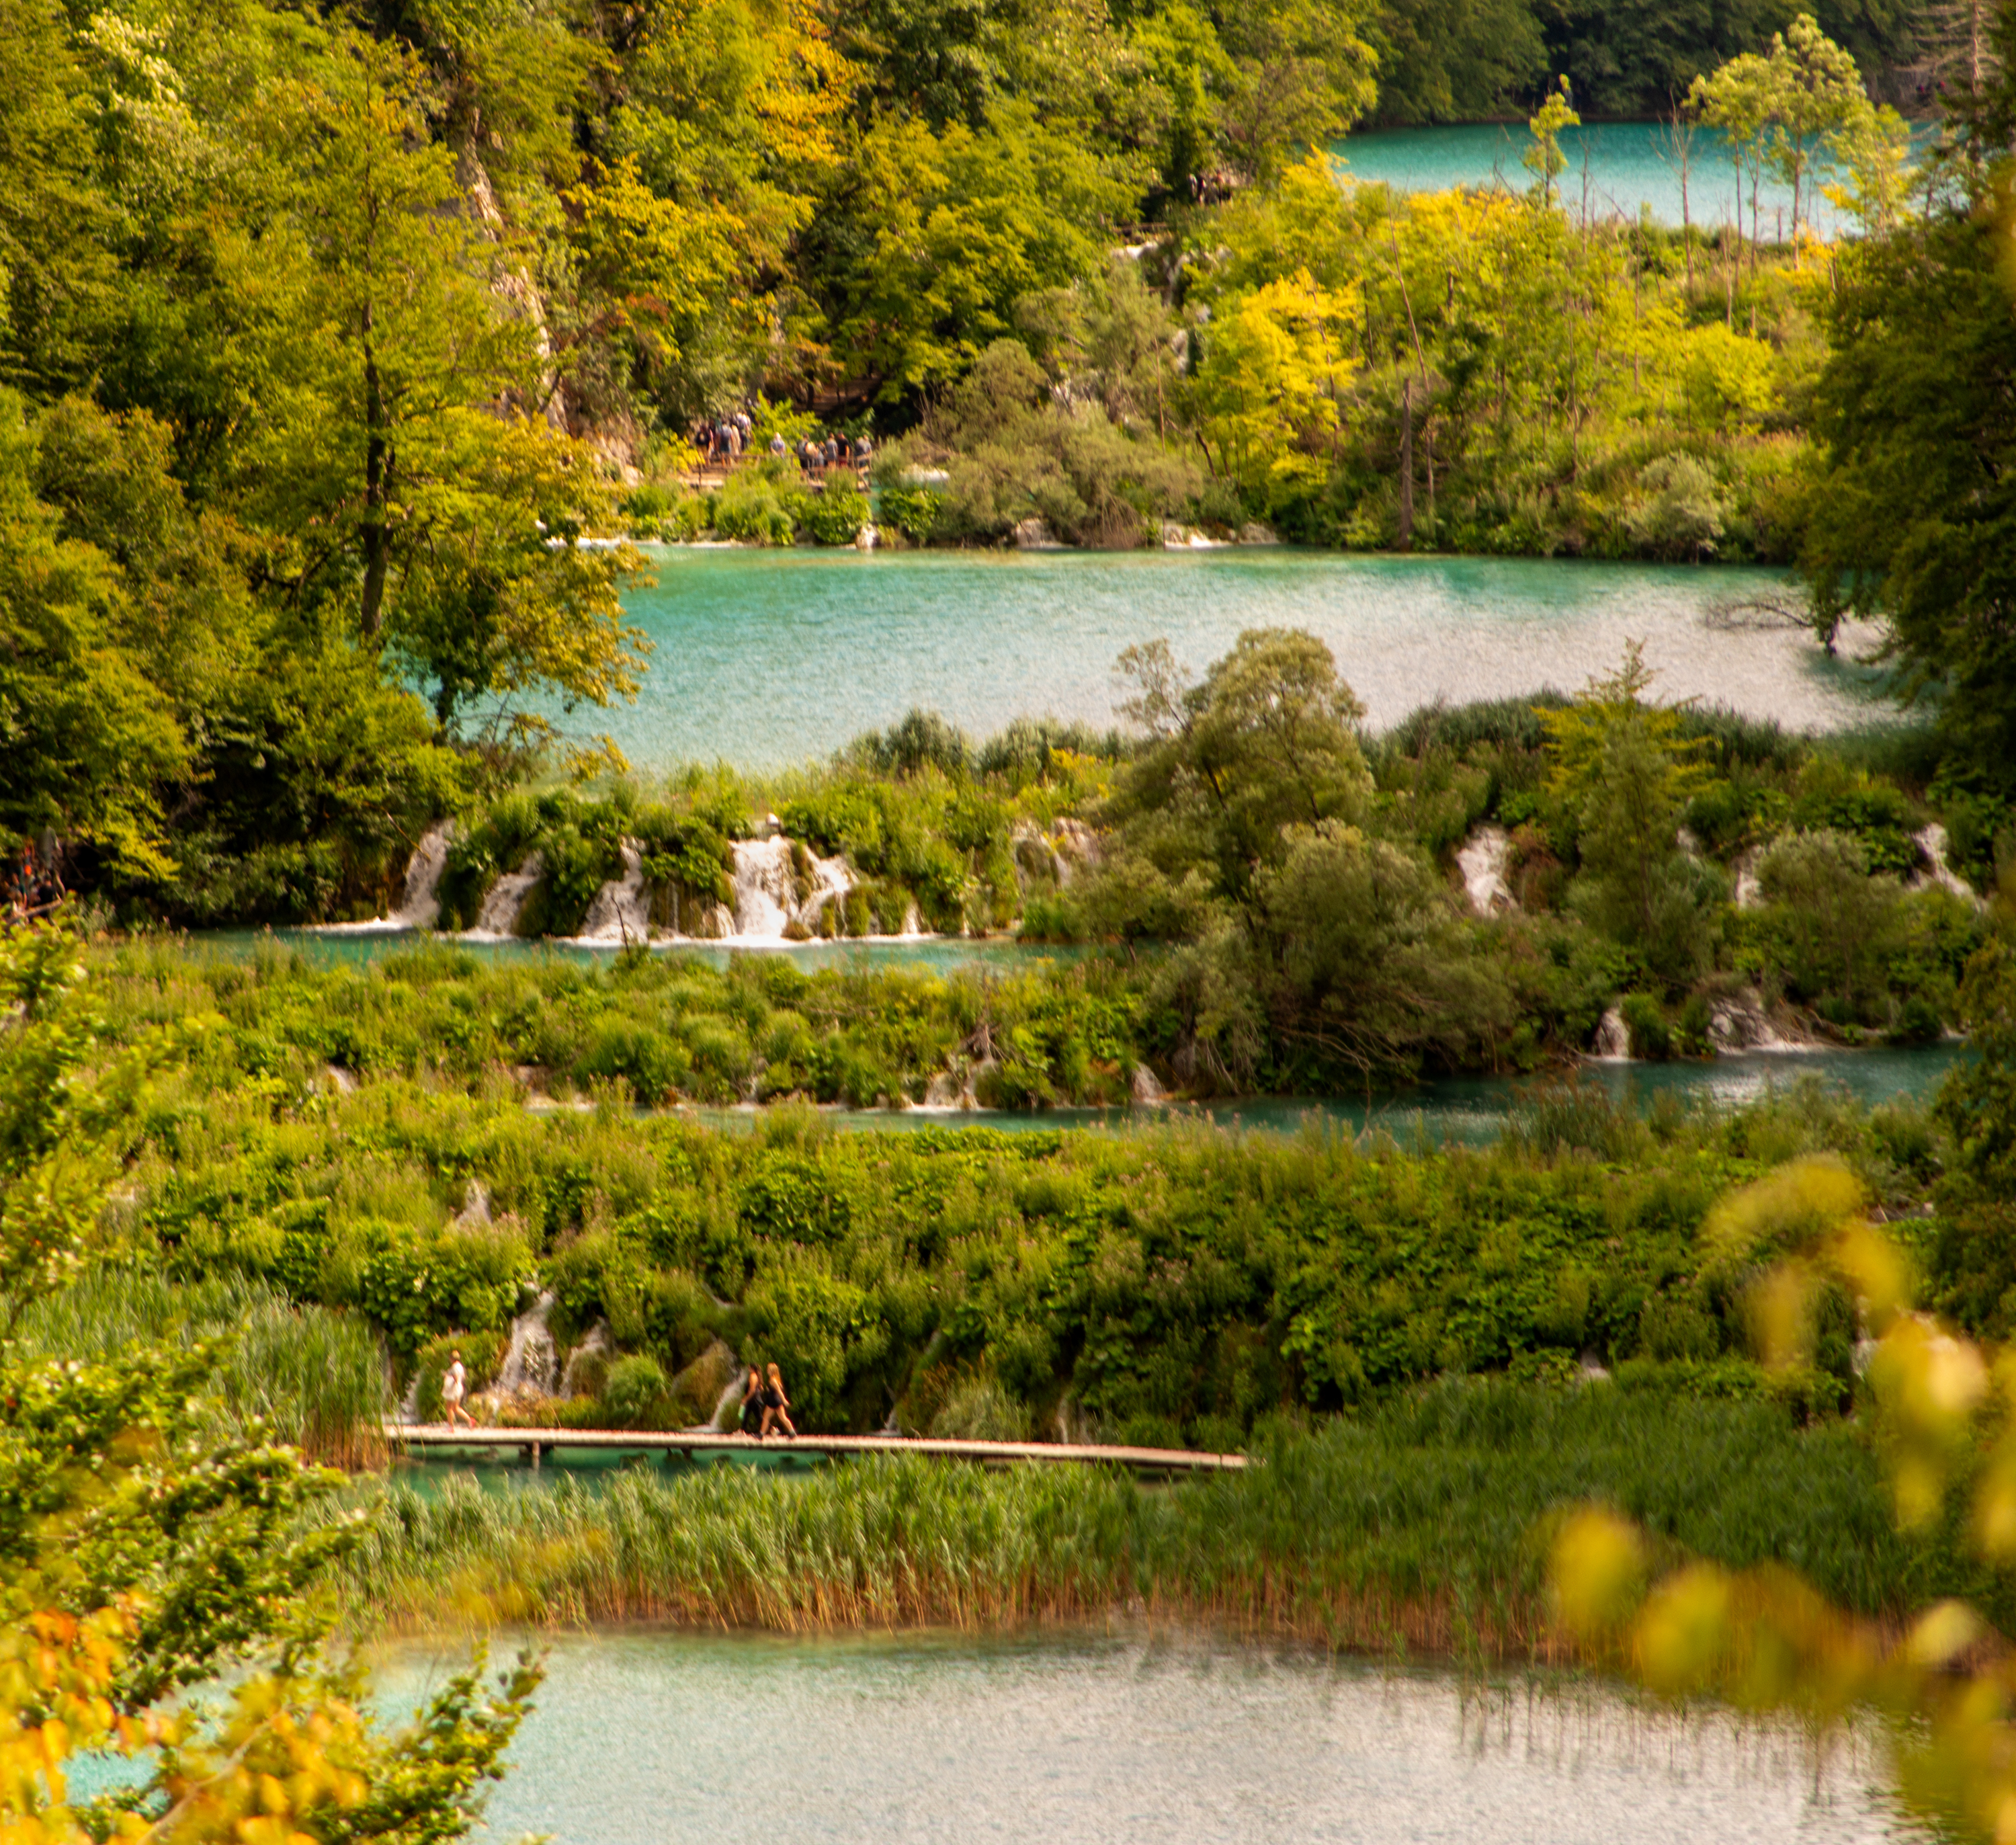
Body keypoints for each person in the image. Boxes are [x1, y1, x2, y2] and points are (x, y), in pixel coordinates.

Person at [760, 1362, 797, 1438]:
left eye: (768, 1369)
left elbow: (779, 1391)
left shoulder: (773, 1380)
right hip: (776, 1400)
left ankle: (761, 1434)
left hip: (773, 1401)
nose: (767, 1370)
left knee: (766, 1418)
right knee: (783, 1417)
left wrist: (784, 1400)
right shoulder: (776, 1379)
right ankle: (792, 1432)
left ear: (772, 1371)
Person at [442, 1348, 474, 1430]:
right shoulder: (460, 1366)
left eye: (450, 1358)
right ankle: (470, 1420)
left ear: (452, 1358)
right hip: (460, 1387)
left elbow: (455, 1378)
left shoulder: (454, 1367)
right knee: (455, 1408)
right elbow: (463, 1377)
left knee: (449, 1407)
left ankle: (450, 1427)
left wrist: (446, 1376)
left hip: (454, 1388)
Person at [739, 1364, 766, 1438]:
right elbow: (761, 1389)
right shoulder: (757, 1377)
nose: (748, 1369)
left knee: (759, 1417)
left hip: (754, 1400)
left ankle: (772, 1428)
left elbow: (752, 1390)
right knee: (746, 1414)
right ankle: (742, 1430)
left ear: (752, 1369)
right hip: (753, 1399)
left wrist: (745, 1399)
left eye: (749, 1368)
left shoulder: (753, 1376)